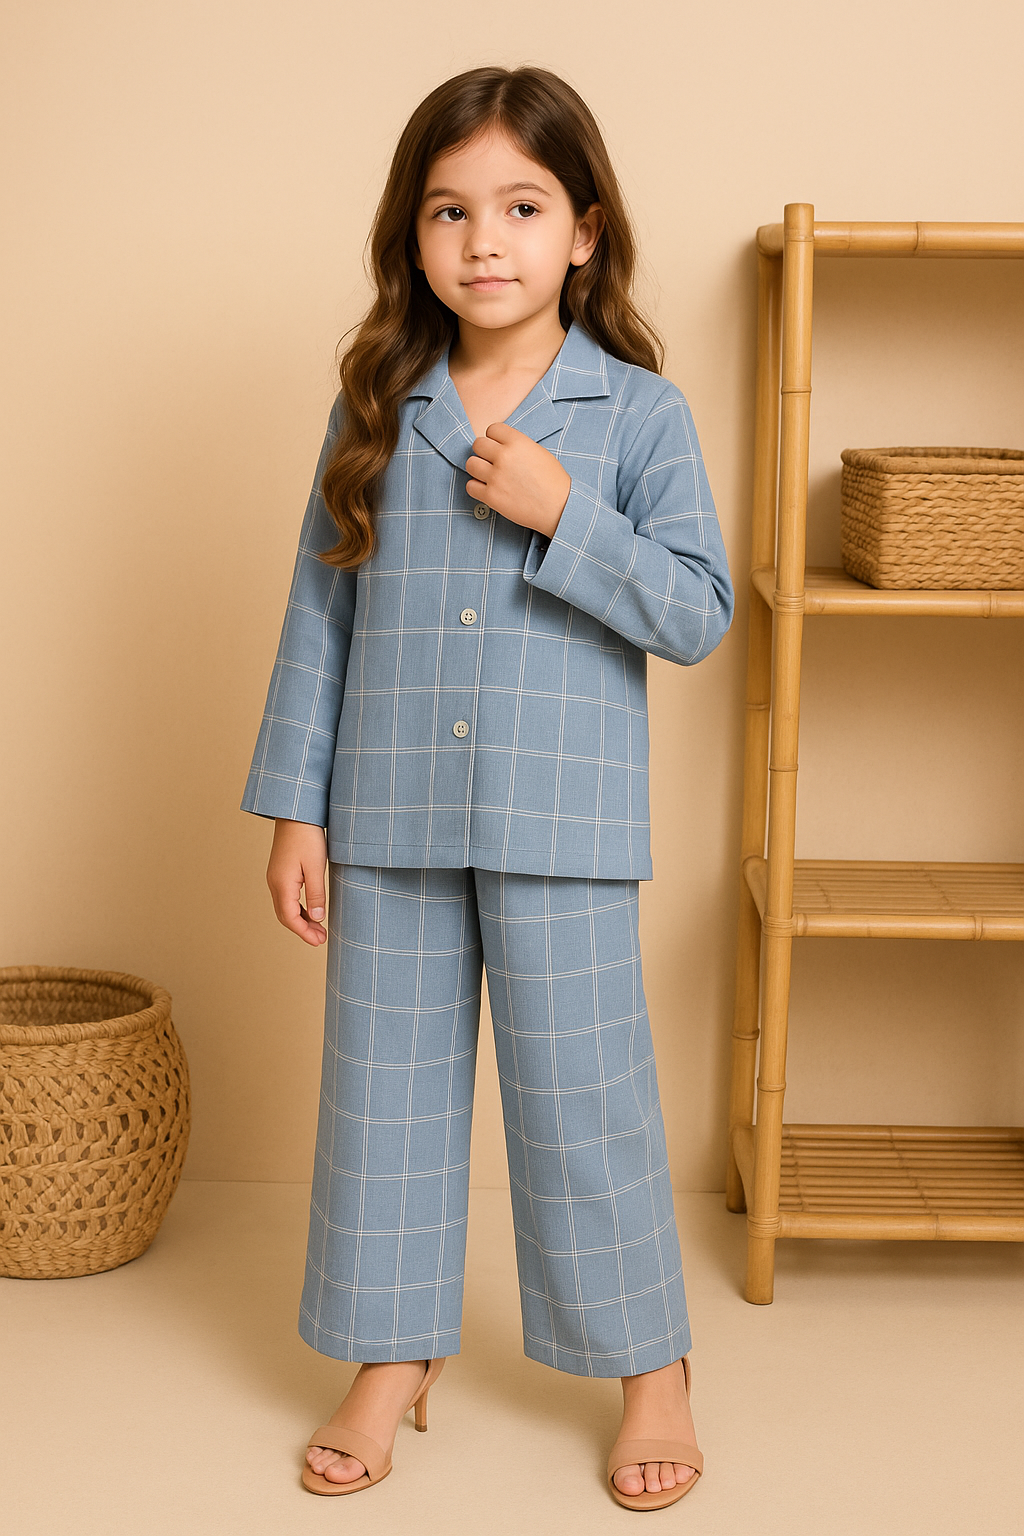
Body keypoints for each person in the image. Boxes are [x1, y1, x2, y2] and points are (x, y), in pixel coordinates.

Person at [239, 63, 733, 1512]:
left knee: (588, 1102)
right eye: (450, 210)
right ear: (415, 235)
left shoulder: (636, 416)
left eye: (521, 207)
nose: (484, 240)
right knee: (383, 1100)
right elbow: (316, 610)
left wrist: (568, 514)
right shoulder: (376, 405)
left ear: (583, 229)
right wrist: (293, 808)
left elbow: (700, 611)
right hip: (386, 813)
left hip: (565, 824)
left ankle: (653, 1372)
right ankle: (391, 1358)